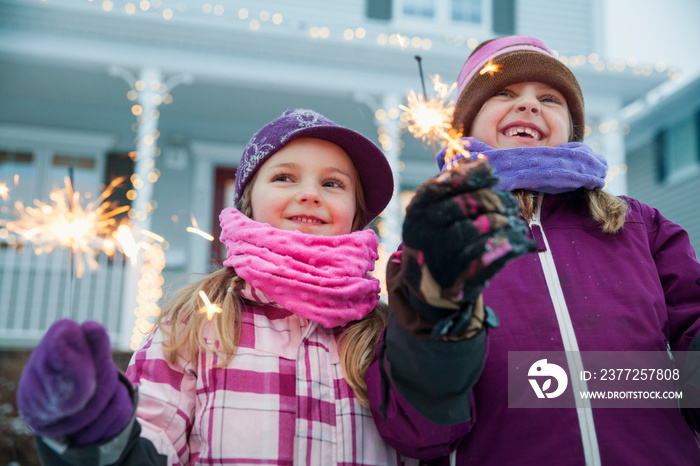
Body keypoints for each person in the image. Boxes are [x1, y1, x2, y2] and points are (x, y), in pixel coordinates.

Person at [17, 109, 419, 465]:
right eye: (284, 177)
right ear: (247, 202)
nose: (310, 194)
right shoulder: (196, 322)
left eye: (333, 184)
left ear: (356, 215)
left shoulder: (385, 334)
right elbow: (149, 446)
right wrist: (95, 429)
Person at [366, 35, 700, 465]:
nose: (528, 106)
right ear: (465, 125)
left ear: (571, 128)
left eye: (549, 98)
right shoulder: (436, 245)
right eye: (503, 93)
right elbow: (419, 432)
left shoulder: (640, 228)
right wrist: (437, 304)